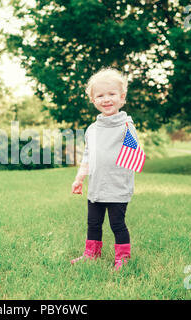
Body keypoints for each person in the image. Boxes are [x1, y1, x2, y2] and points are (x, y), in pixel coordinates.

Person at [71, 67, 139, 271]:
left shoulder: (126, 125)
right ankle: (91, 253)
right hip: (97, 186)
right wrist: (79, 178)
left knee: (117, 224)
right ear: (93, 100)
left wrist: (130, 144)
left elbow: (133, 154)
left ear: (122, 97)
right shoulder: (92, 129)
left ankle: (123, 258)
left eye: (111, 94)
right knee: (93, 223)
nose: (106, 99)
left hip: (117, 186)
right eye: (100, 95)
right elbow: (88, 156)